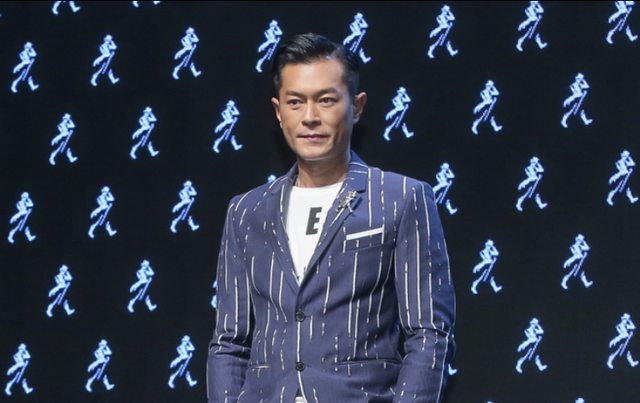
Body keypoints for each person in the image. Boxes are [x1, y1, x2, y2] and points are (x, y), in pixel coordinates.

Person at [207, 33, 455, 403]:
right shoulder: (246, 211)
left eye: (325, 100)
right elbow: (229, 342)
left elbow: (430, 333)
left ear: (357, 106)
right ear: (278, 111)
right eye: (295, 102)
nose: (310, 117)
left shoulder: (402, 198)